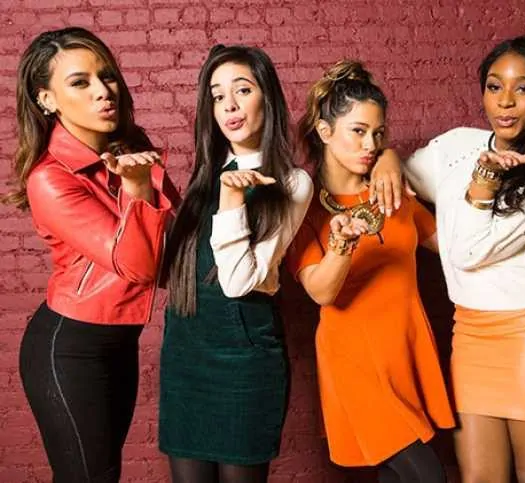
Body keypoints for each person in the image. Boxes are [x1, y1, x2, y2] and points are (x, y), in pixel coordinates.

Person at [371, 36, 525, 483]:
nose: (505, 101)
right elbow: (402, 175)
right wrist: (387, 158)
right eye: (494, 86)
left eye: (524, 88)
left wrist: (484, 182)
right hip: (469, 330)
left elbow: (467, 252)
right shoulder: (457, 146)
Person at [4, 27, 178, 482]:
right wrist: (138, 190)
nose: (103, 91)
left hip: (119, 344)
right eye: (80, 82)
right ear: (47, 99)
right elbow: (139, 266)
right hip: (70, 348)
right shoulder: (50, 178)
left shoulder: (132, 155)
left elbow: (174, 251)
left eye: (108, 76)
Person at [286, 60, 455, 483]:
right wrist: (342, 246)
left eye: (378, 134)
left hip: (404, 351)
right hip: (354, 361)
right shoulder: (304, 208)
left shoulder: (392, 192)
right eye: (358, 131)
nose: (370, 144)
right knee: (429, 477)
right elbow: (321, 292)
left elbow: (456, 248)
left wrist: (396, 161)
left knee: (396, 478)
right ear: (325, 131)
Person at [158, 44, 313, 483]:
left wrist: (232, 201)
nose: (228, 104)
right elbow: (171, 273)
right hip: (186, 356)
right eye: (217, 95)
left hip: (244, 361)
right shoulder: (204, 176)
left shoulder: (291, 183)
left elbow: (238, 282)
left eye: (242, 90)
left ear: (268, 97)